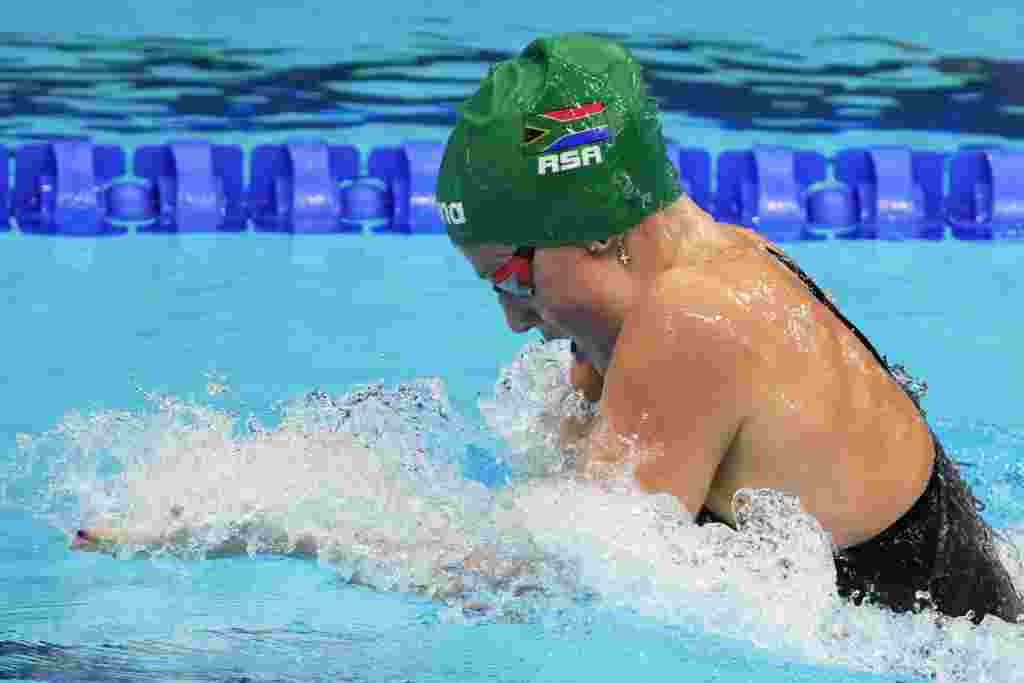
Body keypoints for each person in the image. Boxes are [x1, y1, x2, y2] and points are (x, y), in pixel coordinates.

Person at [434, 32, 1023, 623]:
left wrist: (377, 545)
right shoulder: (737, 259)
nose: (514, 318)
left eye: (514, 279)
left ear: (595, 224)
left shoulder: (692, 319)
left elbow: (572, 579)